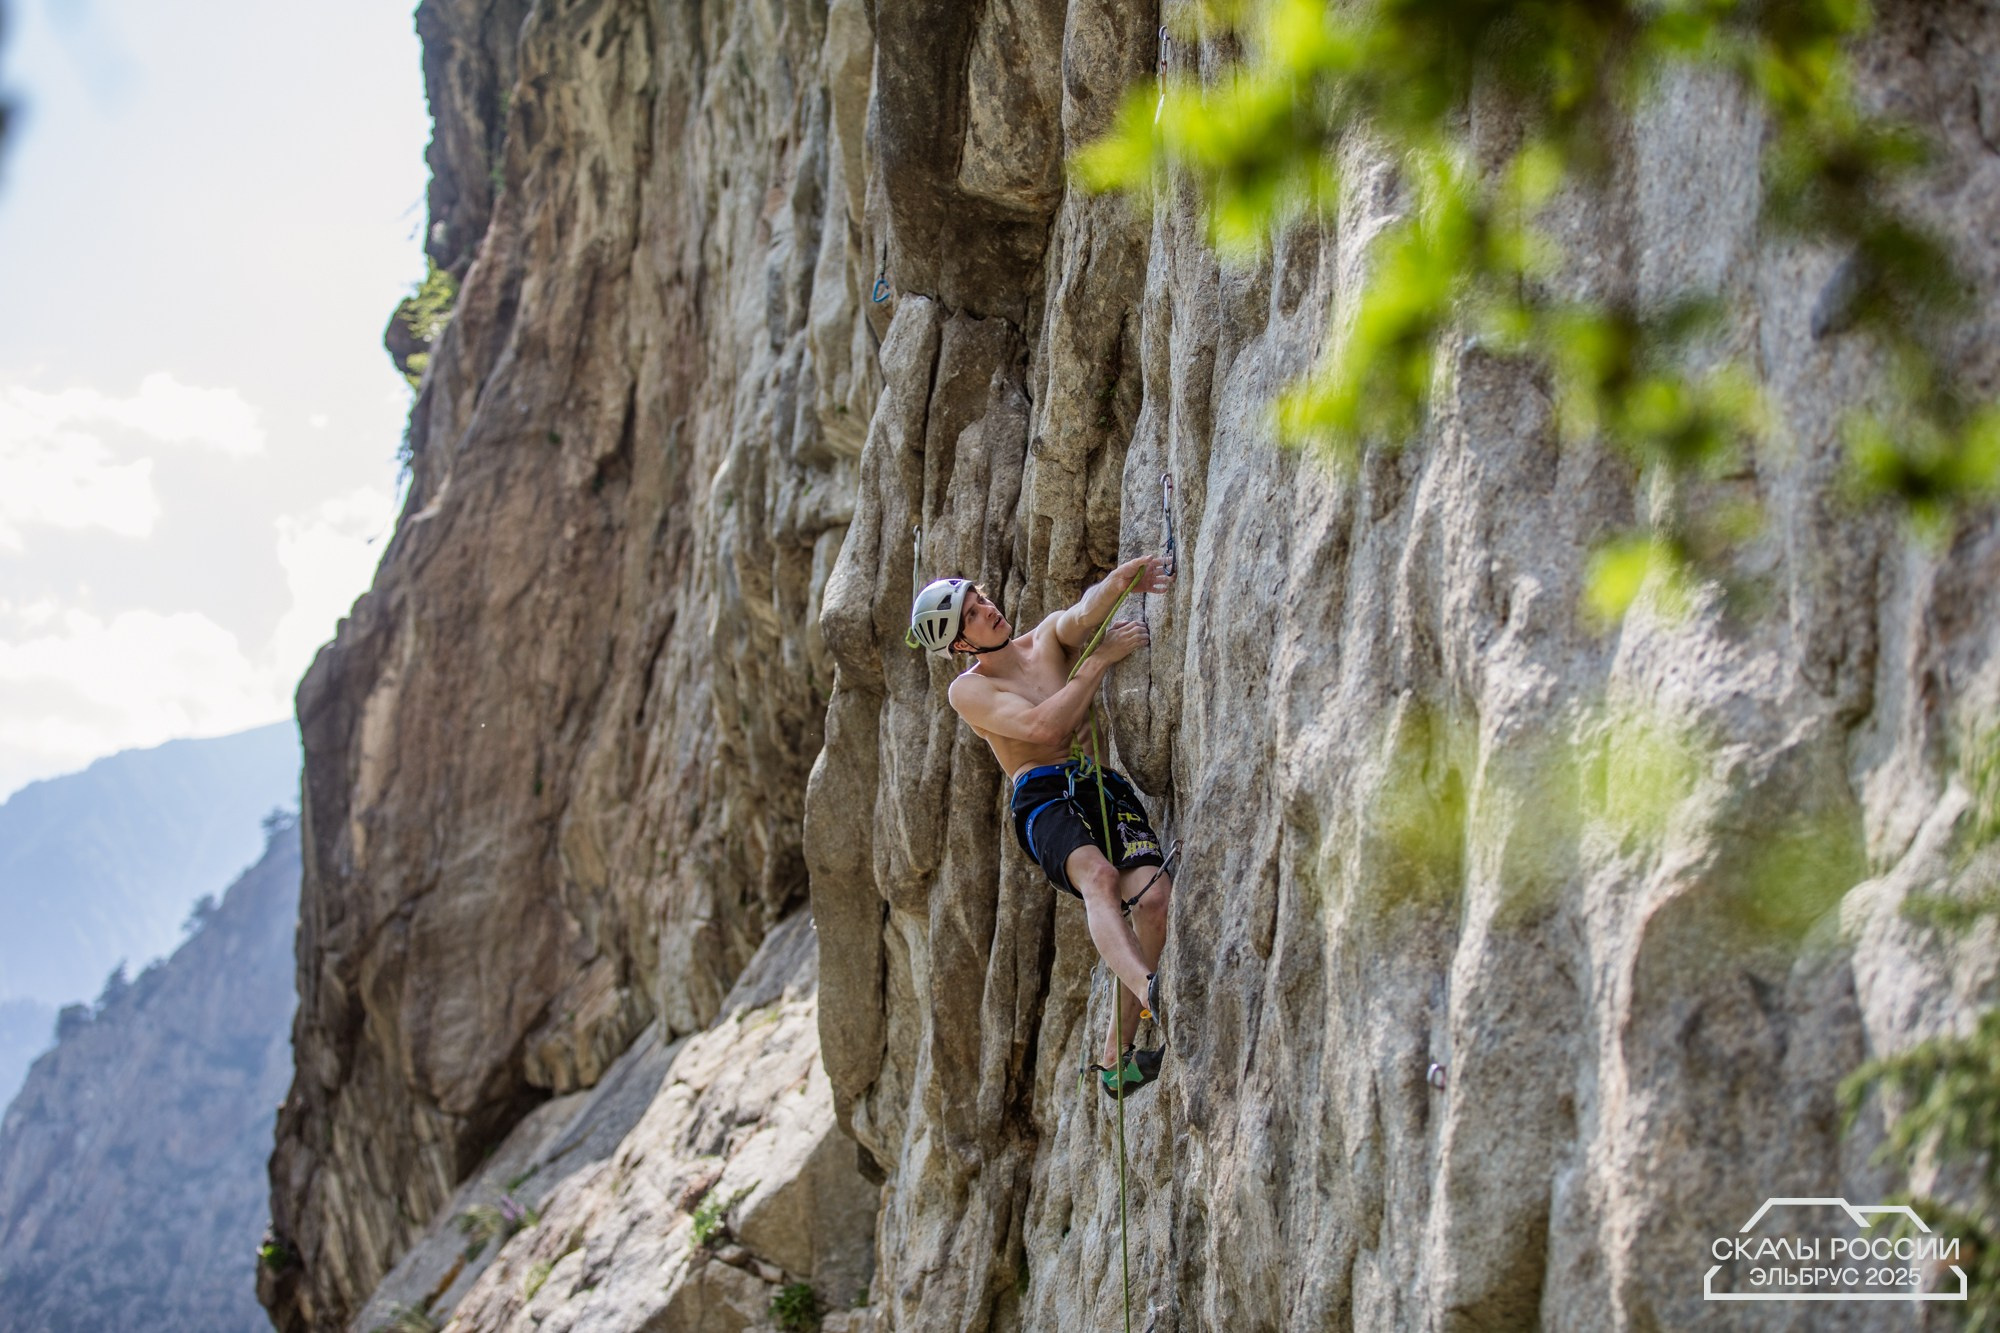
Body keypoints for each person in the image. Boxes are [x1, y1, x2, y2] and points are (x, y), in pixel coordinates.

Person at [907, 558, 1175, 1098]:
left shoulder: (1045, 639)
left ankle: (1114, 1061)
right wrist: (1097, 663)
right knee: (1098, 878)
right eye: (975, 615)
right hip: (1042, 797)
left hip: (1097, 783)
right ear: (961, 645)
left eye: (982, 600)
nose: (989, 610)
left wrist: (1124, 579)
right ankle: (1154, 990)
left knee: (1153, 901)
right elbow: (1042, 725)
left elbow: (1082, 613)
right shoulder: (969, 692)